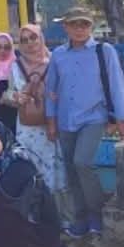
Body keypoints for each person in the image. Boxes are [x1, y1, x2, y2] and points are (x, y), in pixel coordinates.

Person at [46, 7, 124, 238]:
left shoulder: (103, 51)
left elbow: (117, 85)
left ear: (91, 27)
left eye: (84, 24)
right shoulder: (58, 54)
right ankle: (80, 216)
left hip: (93, 118)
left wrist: (121, 119)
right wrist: (51, 120)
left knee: (82, 163)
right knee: (71, 169)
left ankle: (96, 212)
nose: (79, 29)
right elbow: (51, 89)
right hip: (66, 119)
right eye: (74, 24)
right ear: (65, 26)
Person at [10, 24, 73, 228]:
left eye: (33, 38)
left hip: (51, 125)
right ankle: (36, 216)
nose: (29, 43)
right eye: (24, 40)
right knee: (33, 169)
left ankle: (62, 218)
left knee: (57, 169)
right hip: (27, 128)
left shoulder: (55, 61)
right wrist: (15, 97)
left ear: (41, 38)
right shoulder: (15, 66)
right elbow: (9, 93)